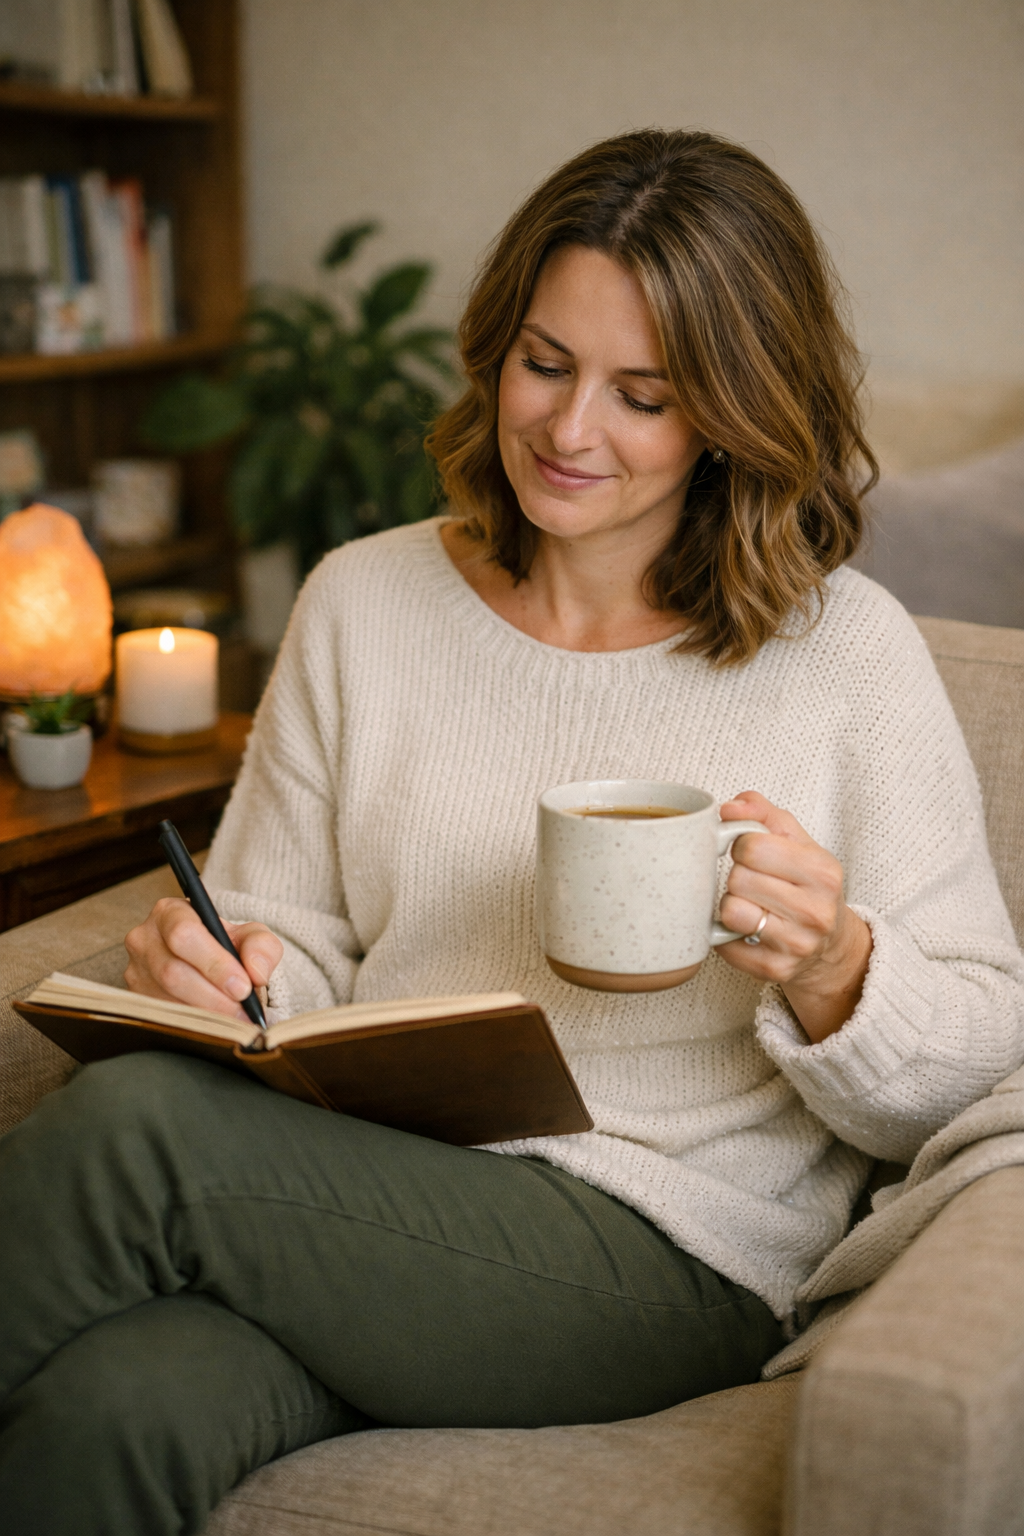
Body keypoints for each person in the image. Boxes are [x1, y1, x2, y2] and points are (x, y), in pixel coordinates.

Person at [1, 129, 1021, 1536]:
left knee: (137, 1132)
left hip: (672, 1255)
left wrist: (837, 965)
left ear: (730, 408)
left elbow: (986, 1046)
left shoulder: (844, 655)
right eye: (546, 362)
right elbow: (286, 924)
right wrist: (242, 971)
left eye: (643, 393)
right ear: (497, 346)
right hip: (372, 1191)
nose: (569, 428)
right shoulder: (364, 602)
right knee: (116, 1407)